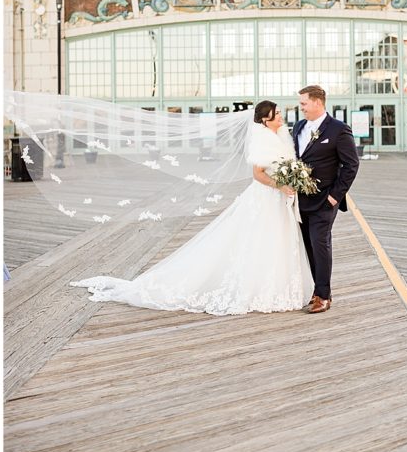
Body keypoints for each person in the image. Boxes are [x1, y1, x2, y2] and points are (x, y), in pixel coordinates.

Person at [71, 101, 314, 315]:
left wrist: (291, 182)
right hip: (266, 197)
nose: (281, 116)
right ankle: (258, 288)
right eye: (276, 113)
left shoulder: (282, 135)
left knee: (276, 241)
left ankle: (276, 287)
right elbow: (258, 173)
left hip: (280, 199)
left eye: (280, 113)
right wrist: (281, 185)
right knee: (259, 240)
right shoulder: (262, 138)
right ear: (265, 119)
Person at [292, 85, 360, 314]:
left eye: (303, 103)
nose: (300, 108)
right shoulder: (299, 127)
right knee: (309, 246)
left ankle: (324, 295)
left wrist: (334, 196)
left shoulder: (339, 129)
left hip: (325, 201)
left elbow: (351, 165)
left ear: (318, 102)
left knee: (320, 244)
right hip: (301, 201)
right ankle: (315, 289)